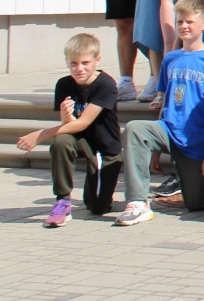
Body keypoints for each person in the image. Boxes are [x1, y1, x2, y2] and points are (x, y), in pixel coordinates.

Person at [116, 0, 204, 225]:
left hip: (196, 141)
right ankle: (138, 202)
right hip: (168, 130)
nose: (183, 26)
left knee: (197, 202)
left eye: (189, 22)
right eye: (179, 22)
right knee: (135, 128)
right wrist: (155, 151)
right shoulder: (170, 59)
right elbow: (165, 101)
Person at [16, 34, 124, 226]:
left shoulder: (106, 84)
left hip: (105, 148)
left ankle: (100, 195)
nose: (79, 69)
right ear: (66, 62)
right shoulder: (64, 84)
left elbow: (83, 123)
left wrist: (39, 135)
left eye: (85, 63)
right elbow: (70, 125)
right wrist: (66, 114)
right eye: (73, 63)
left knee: (97, 208)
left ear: (97, 60)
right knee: (61, 141)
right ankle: (63, 201)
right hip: (79, 140)